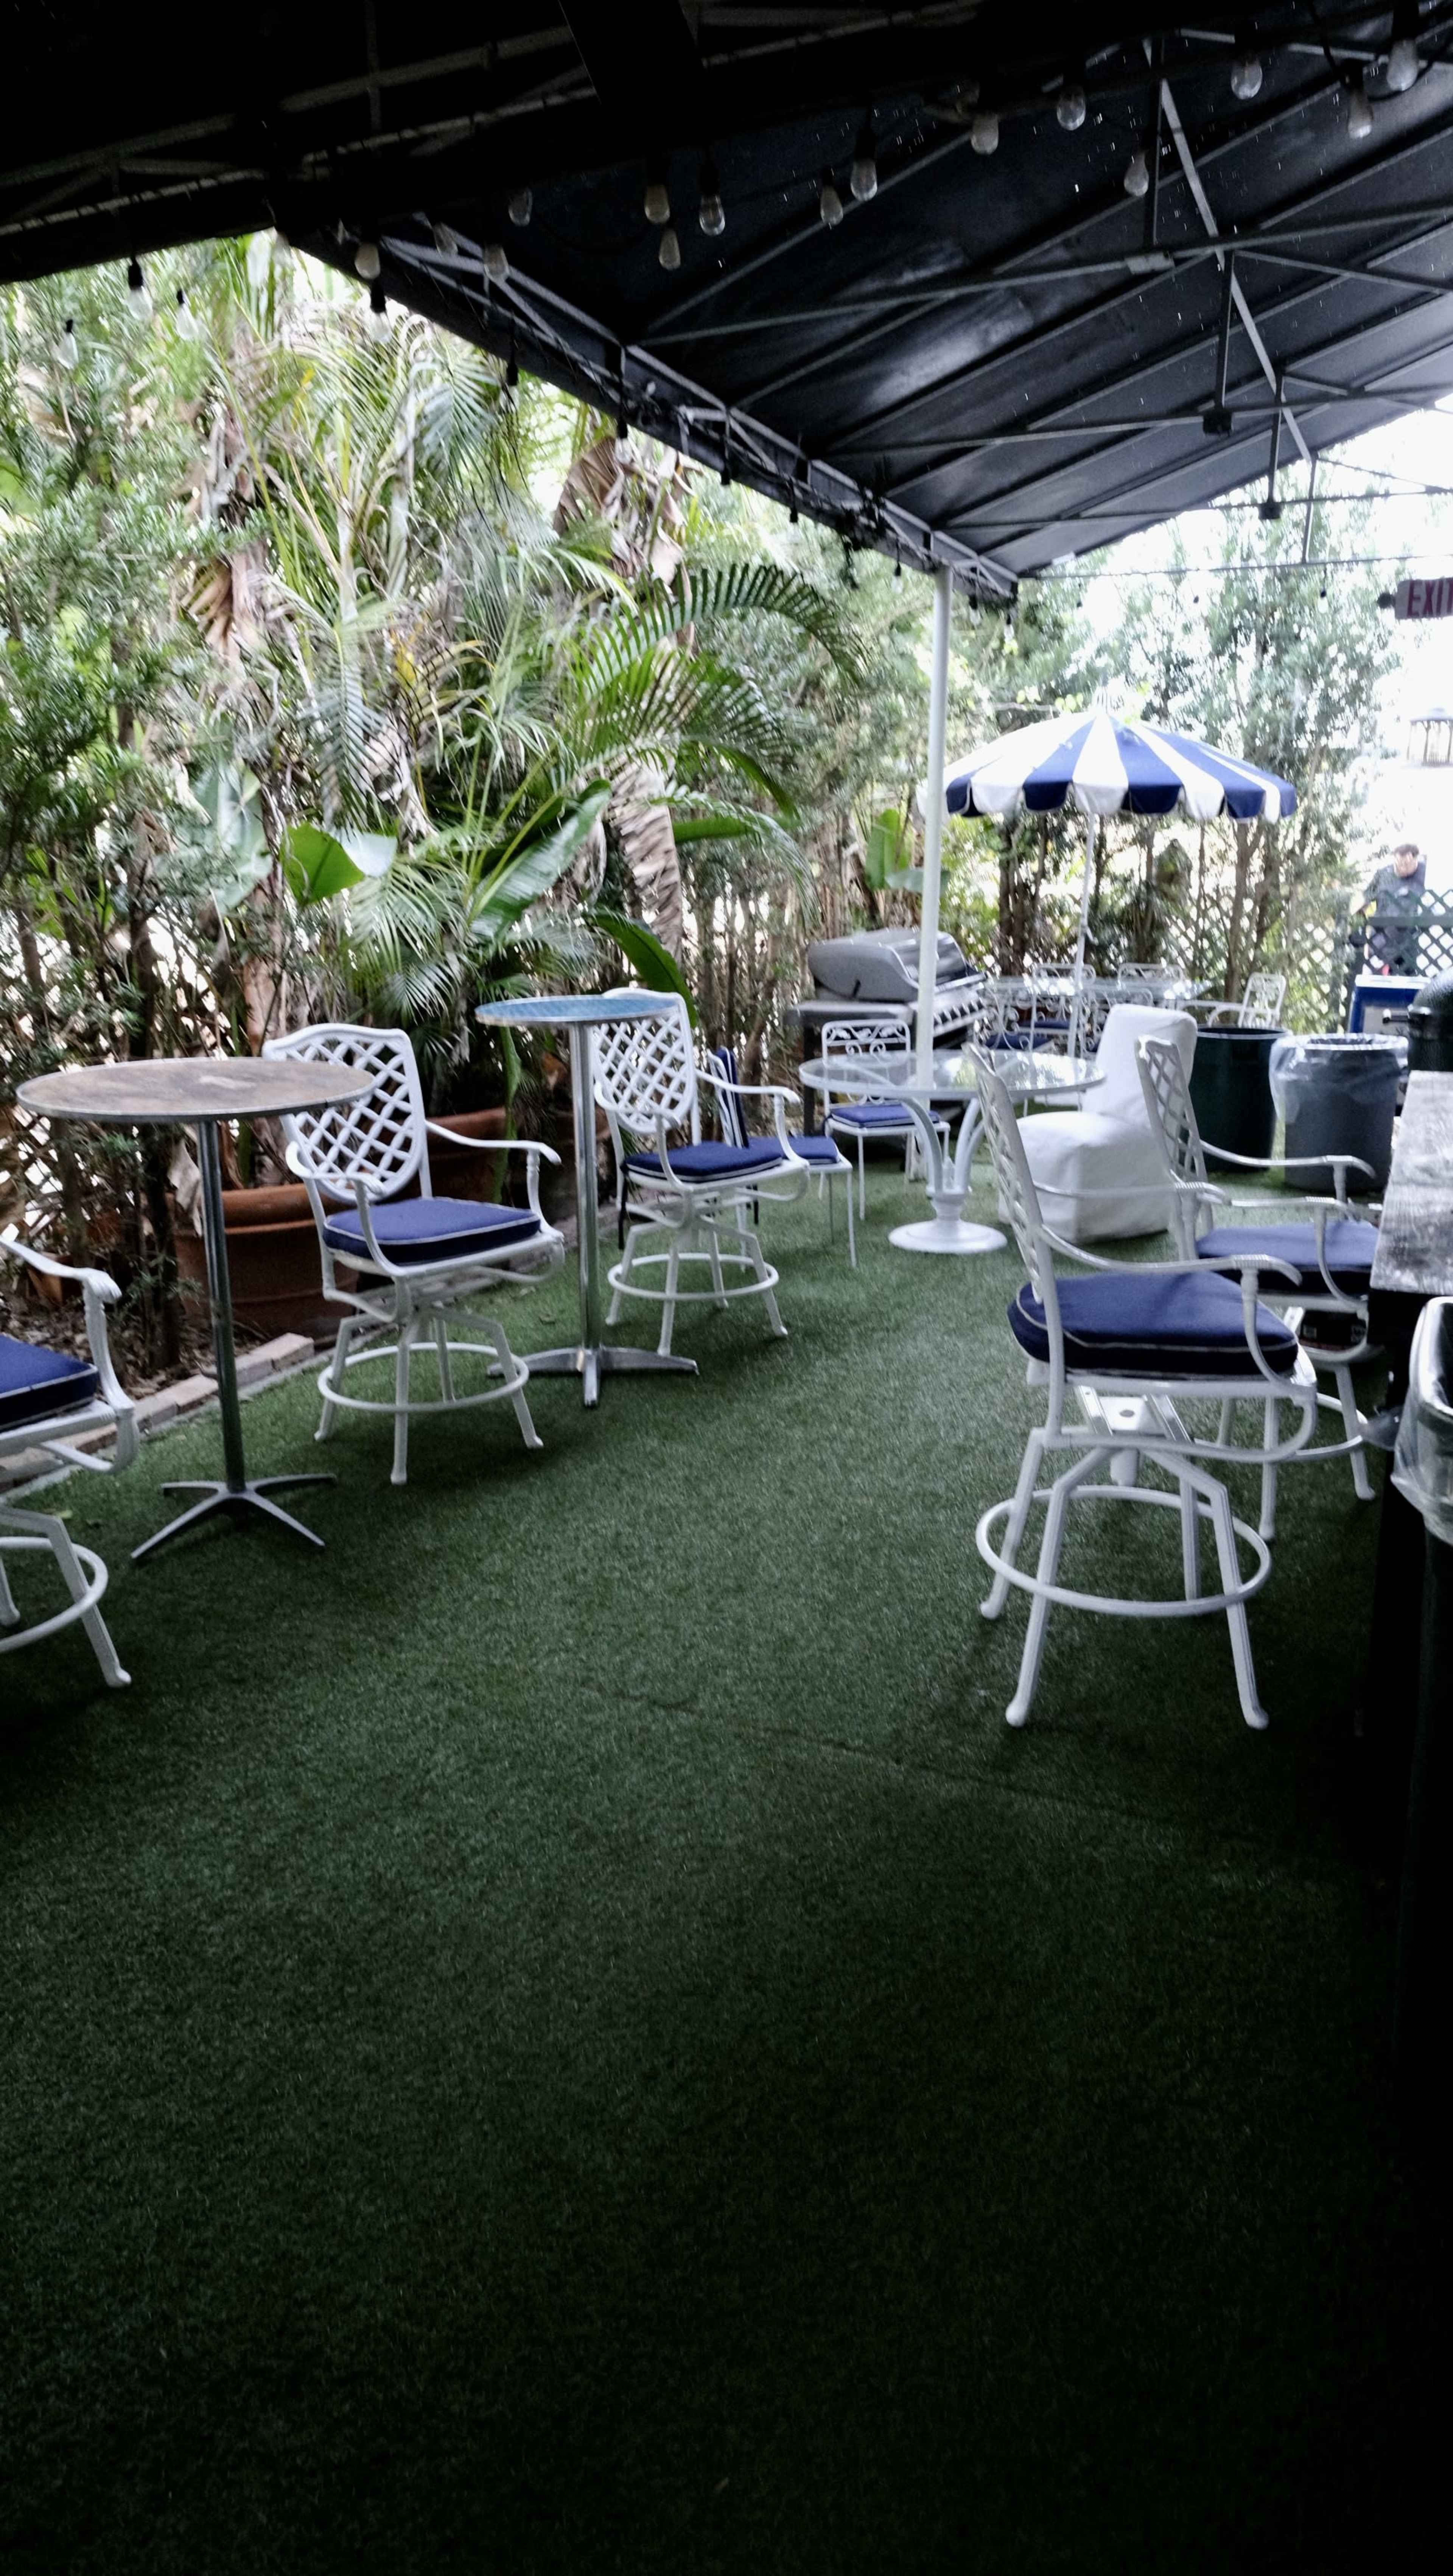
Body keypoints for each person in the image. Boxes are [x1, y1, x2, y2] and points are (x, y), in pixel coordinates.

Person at [1359, 841, 1427, 974]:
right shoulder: (1383, 875)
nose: (1402, 868)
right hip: (1381, 944)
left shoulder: (1426, 874)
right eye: (1398, 864)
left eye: (1407, 864)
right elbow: (1364, 901)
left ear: (1416, 859)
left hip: (1410, 946)